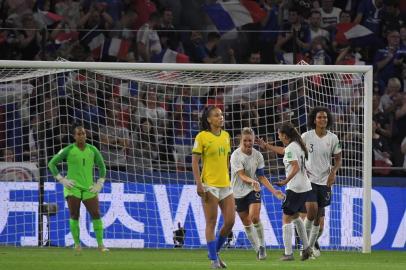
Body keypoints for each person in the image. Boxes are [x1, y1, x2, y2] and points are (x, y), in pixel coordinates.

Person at [48, 126, 108, 252]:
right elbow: (51, 163)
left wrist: (100, 183)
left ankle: (101, 245)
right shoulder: (69, 149)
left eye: (83, 133)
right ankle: (77, 244)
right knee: (74, 214)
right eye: (79, 134)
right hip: (72, 187)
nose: (81, 136)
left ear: (86, 135)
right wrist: (62, 179)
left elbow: (102, 167)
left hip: (88, 188)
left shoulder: (93, 150)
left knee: (96, 214)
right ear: (74, 136)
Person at [230, 127, 284, 260]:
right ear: (241, 140)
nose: (248, 143)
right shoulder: (235, 155)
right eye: (245, 141)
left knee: (254, 217)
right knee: (246, 223)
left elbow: (261, 176)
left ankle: (262, 247)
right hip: (237, 192)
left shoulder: (258, 155)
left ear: (254, 140)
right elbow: (241, 175)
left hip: (253, 190)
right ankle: (257, 249)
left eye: (250, 140)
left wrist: (274, 191)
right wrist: (252, 181)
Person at [192, 106, 235, 268]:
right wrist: (199, 184)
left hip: (225, 184)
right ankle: (213, 260)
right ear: (209, 119)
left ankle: (214, 252)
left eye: (221, 115)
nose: (220, 117)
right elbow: (195, 162)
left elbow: (226, 160)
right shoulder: (202, 136)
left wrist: (229, 178)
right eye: (216, 115)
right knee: (211, 222)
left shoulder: (226, 135)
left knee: (230, 221)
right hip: (209, 185)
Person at [269, 123, 313, 261]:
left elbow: (295, 166)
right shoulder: (297, 145)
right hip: (304, 186)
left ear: (284, 135)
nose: (278, 135)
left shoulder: (291, 148)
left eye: (279, 134)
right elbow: (283, 151)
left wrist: (285, 181)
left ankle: (288, 253)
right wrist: (267, 146)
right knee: (295, 216)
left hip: (295, 187)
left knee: (286, 218)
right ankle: (306, 248)